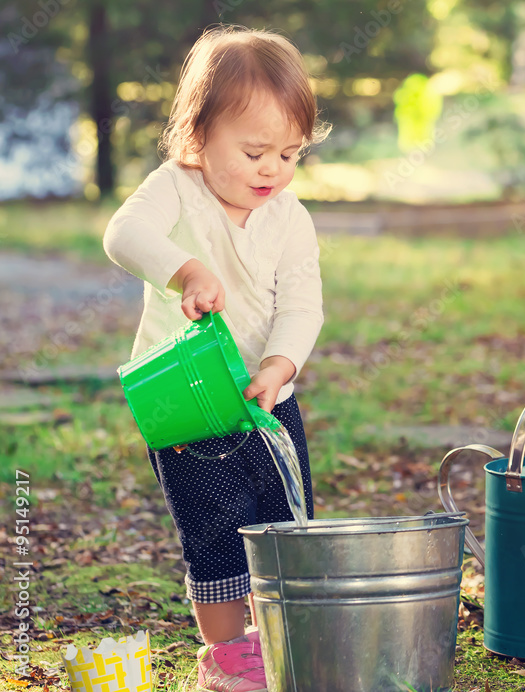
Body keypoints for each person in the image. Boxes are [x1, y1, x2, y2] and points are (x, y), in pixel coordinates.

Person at [104, 25, 328, 692]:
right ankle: (227, 658)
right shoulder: (176, 186)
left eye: (290, 153)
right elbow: (123, 234)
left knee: (285, 528)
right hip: (187, 407)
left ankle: (277, 643)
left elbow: (303, 305)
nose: (273, 169)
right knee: (217, 535)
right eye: (256, 150)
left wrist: (280, 366)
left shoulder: (290, 218)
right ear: (198, 136)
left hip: (266, 403)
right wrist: (187, 271)